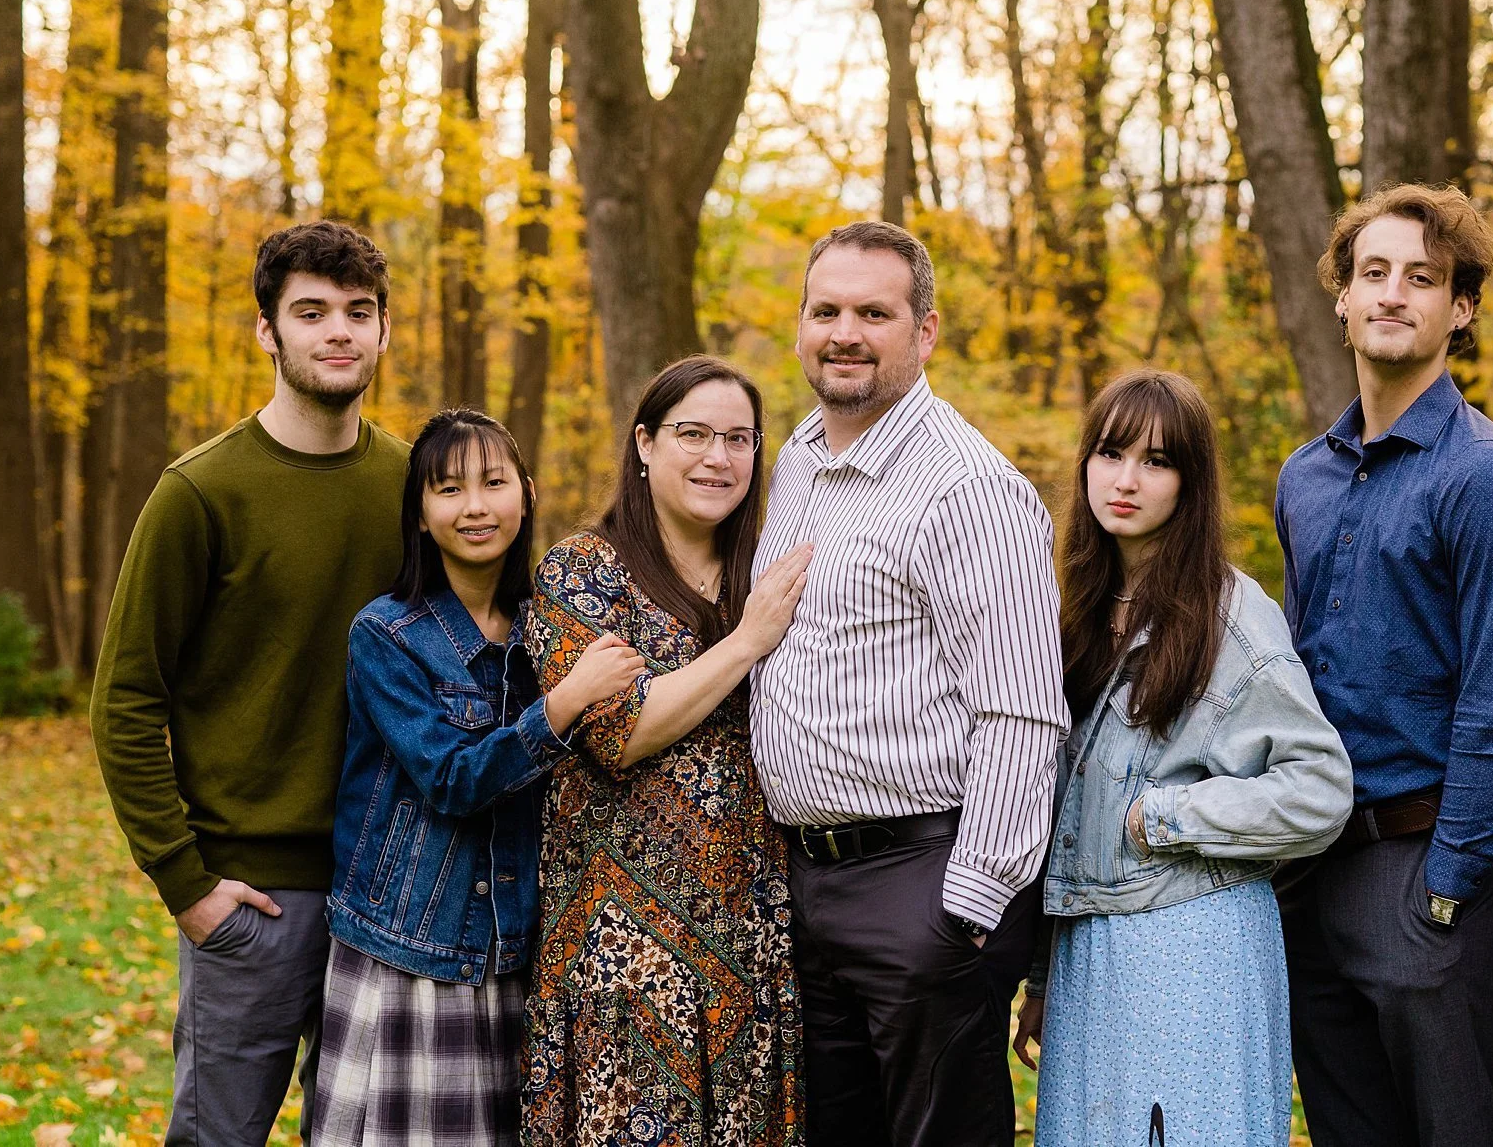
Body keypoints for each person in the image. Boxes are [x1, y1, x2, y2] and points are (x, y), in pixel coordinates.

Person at [91, 220, 409, 1146]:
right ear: (267, 332)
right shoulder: (200, 492)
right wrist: (186, 883)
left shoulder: (409, 486)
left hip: (386, 891)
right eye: (310, 313)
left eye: (358, 313)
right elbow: (125, 702)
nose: (338, 332)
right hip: (254, 900)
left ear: (384, 331)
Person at [750, 220, 1067, 1147]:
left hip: (924, 884)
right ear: (802, 324)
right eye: (827, 310)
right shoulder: (800, 458)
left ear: (925, 331)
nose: (845, 332)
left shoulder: (967, 489)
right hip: (810, 883)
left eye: (874, 313)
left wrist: (966, 905)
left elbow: (1022, 709)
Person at [1272, 183, 1493, 1147]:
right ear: (1343, 298)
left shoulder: (1487, 477)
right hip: (1312, 864)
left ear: (1458, 309)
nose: (1394, 294)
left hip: (1428, 866)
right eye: (1374, 273)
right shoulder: (1304, 476)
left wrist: (1449, 882)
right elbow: (1290, 678)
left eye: (1423, 279)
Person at [1016, 369, 1352, 1146]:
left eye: (1157, 462)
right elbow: (1064, 804)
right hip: (1090, 944)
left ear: (1190, 483)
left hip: (1192, 942)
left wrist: (1164, 816)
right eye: (1110, 453)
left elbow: (1320, 788)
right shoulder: (1073, 607)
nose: (1126, 480)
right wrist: (1041, 976)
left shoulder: (1231, 618)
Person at [314, 409, 642, 1146]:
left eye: (494, 483)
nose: (474, 506)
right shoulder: (387, 634)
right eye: (449, 489)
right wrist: (562, 705)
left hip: (517, 952)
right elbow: (453, 779)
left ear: (525, 495)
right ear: (421, 516)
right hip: (412, 949)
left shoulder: (548, 631)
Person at [520, 355, 813, 1145]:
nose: (718, 458)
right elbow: (618, 733)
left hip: (748, 936)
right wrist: (747, 642)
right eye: (694, 434)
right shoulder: (582, 571)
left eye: (740, 439)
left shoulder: (765, 573)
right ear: (644, 444)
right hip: (622, 953)